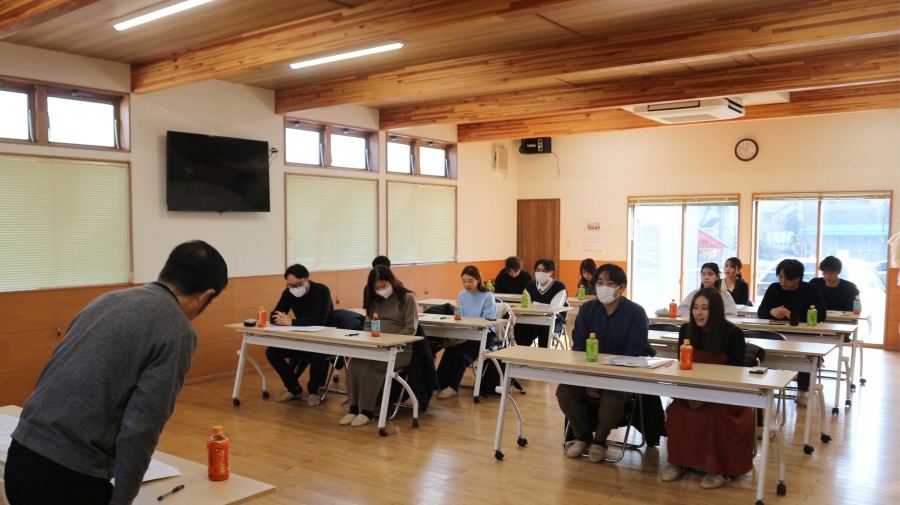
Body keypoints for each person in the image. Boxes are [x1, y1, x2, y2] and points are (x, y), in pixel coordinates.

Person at [5, 241, 228, 505]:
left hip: (19, 455)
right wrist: (122, 499)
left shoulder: (107, 300)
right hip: (68, 476)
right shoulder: (177, 330)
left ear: (165, 272)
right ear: (205, 296)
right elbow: (142, 426)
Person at [661, 287, 753, 489]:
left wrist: (709, 396)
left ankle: (720, 470)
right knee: (676, 412)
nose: (698, 313)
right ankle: (678, 462)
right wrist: (691, 394)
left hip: (725, 396)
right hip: (692, 392)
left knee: (714, 416)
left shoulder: (733, 334)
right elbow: (682, 367)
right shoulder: (686, 330)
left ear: (716, 311)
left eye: (705, 308)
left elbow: (736, 376)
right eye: (695, 307)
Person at [556, 264, 648, 463]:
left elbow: (633, 355)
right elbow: (579, 349)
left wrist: (603, 381)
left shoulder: (636, 313)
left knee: (612, 401)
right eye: (599, 283)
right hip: (588, 373)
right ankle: (583, 437)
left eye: (610, 283)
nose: (603, 287)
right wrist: (589, 380)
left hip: (620, 375)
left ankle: (600, 441)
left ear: (621, 287)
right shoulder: (587, 310)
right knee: (564, 392)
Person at [341, 266, 418, 427]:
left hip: (400, 349)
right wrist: (369, 341)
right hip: (377, 346)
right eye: (377, 288)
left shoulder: (407, 298)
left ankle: (367, 412)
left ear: (392, 281)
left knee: (371, 366)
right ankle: (353, 408)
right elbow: (368, 325)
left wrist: (389, 343)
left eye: (383, 285)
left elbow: (410, 329)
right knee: (355, 364)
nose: (381, 290)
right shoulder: (375, 300)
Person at [757, 258, 826, 406]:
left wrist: (793, 315)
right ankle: (767, 386)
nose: (783, 282)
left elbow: (821, 315)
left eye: (788, 278)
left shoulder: (812, 290)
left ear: (798, 278)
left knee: (805, 354)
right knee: (765, 352)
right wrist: (772, 311)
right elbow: (761, 311)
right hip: (776, 335)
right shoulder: (774, 288)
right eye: (780, 277)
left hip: (804, 336)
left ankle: (803, 391)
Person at [265, 264, 335, 406]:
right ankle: (294, 388)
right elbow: (274, 315)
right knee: (272, 352)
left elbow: (319, 321)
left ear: (307, 280)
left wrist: (291, 322)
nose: (294, 288)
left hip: (324, 340)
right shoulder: (288, 293)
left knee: (317, 353)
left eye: (298, 285)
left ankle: (313, 391)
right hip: (302, 339)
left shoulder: (322, 291)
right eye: (290, 285)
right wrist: (280, 319)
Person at [435, 265, 497, 399]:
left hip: (484, 335)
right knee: (450, 350)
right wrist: (458, 336)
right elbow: (461, 318)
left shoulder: (488, 296)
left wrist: (464, 338)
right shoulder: (462, 295)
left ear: (478, 280)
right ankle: (438, 384)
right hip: (466, 333)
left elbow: (486, 323)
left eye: (470, 281)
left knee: (459, 353)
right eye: (464, 281)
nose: (466, 284)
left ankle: (452, 387)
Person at [515, 259, 568, 347]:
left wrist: (535, 305)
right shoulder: (530, 286)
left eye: (544, 271)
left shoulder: (559, 287)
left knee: (545, 328)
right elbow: (527, 305)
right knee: (519, 326)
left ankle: (543, 353)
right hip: (533, 317)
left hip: (554, 319)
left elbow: (554, 308)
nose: (540, 273)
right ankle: (523, 351)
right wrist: (538, 306)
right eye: (538, 270)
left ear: (551, 273)